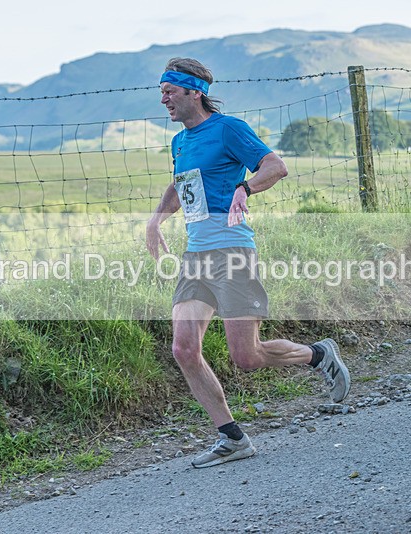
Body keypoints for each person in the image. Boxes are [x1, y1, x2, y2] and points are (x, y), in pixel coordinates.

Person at [145, 57, 350, 469]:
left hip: (233, 252)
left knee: (247, 356)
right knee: (184, 348)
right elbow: (179, 183)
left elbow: (275, 166)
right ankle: (232, 438)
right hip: (196, 258)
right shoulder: (180, 142)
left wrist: (245, 187)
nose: (163, 98)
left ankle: (318, 354)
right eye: (162, 91)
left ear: (193, 91)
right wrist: (155, 221)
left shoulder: (228, 129)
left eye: (170, 91)